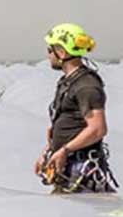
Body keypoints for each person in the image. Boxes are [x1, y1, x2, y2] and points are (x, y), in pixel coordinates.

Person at [36, 23, 115, 193]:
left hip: (81, 169)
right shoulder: (68, 82)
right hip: (68, 166)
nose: (48, 55)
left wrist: (65, 150)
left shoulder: (86, 85)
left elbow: (97, 129)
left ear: (62, 52)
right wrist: (48, 152)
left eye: (50, 50)